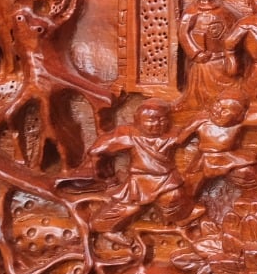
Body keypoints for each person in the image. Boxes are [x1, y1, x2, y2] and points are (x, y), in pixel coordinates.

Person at [81, 100, 194, 235]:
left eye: (162, 119)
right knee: (121, 213)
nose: (157, 124)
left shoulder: (172, 135)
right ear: (138, 121)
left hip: (167, 182)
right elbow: (100, 148)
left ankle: (175, 228)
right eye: (151, 120)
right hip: (138, 184)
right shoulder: (130, 134)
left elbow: (190, 134)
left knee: (176, 206)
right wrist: (106, 175)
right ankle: (103, 229)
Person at [180, 0, 245, 104]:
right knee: (202, 92)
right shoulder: (192, 11)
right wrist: (196, 53)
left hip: (222, 59)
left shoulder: (224, 10)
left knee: (232, 86)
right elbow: (183, 33)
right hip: (204, 61)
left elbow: (235, 28)